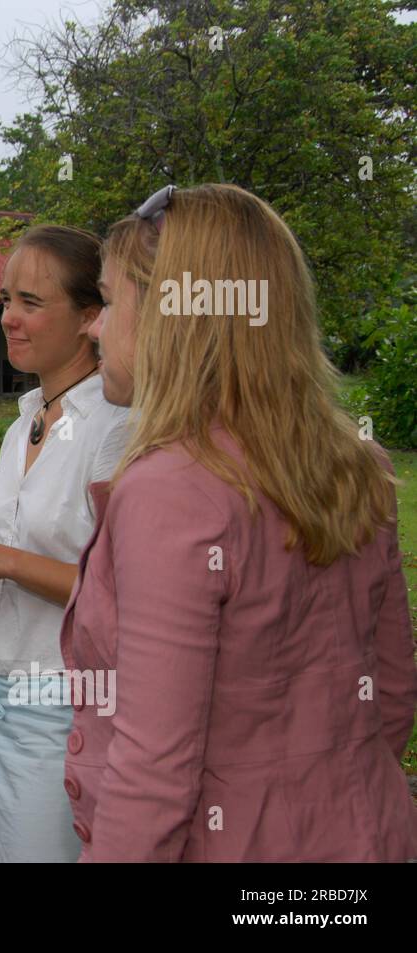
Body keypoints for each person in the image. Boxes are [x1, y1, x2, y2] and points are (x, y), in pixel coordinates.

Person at [63, 182, 417, 860]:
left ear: (176, 314)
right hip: (366, 828)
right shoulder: (360, 463)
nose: (93, 326)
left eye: (108, 302)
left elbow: (154, 772)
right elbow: (392, 691)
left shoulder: (173, 489)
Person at [0, 225, 130, 862]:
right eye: (7, 299)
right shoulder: (26, 422)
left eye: (32, 303)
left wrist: (4, 560)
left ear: (92, 318)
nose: (8, 318)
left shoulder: (116, 430)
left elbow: (134, 596)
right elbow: (26, 567)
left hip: (70, 702)